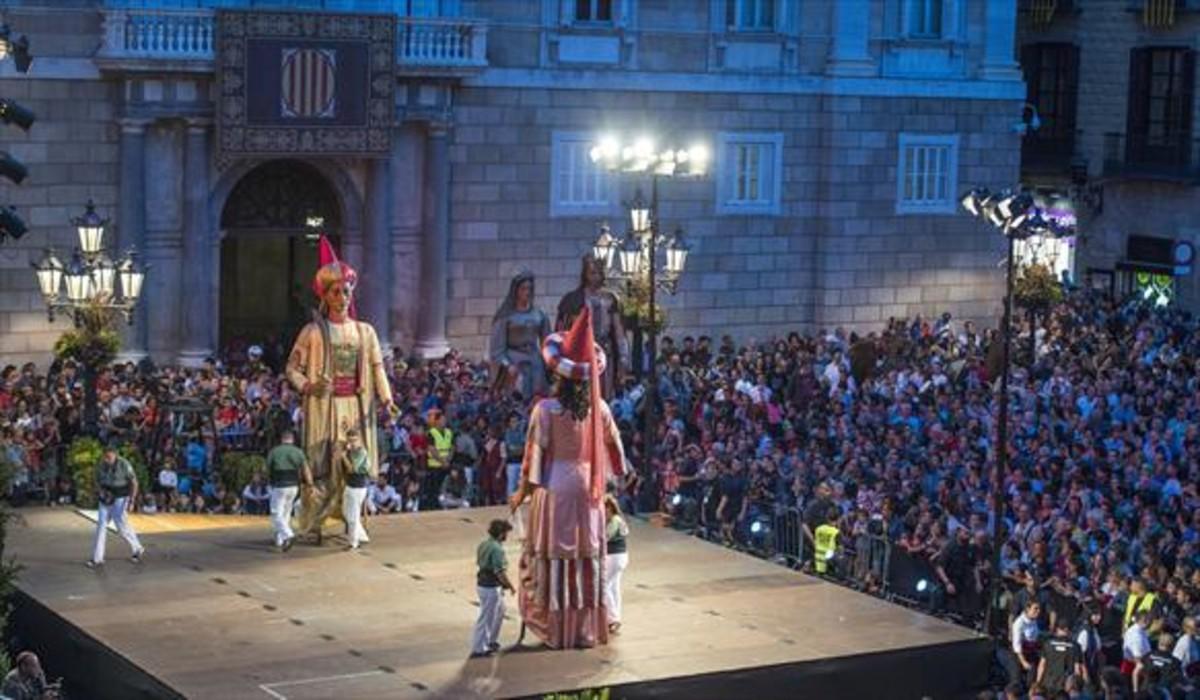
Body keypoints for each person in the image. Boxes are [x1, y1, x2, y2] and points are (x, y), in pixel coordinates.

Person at [509, 307, 627, 649]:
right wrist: (616, 478)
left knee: (555, 556)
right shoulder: (600, 408)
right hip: (589, 487)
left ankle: (557, 628)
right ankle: (586, 628)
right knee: (584, 555)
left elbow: (534, 457)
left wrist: (521, 494)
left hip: (555, 485)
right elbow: (616, 450)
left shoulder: (545, 410)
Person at [285, 240, 394, 544]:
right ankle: (314, 521)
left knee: (356, 466)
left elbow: (377, 368)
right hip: (324, 406)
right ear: (325, 295)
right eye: (336, 291)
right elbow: (291, 369)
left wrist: (387, 398)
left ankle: (354, 520)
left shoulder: (365, 331)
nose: (343, 297)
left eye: (347, 290)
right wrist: (309, 385)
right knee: (322, 465)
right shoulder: (312, 332)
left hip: (356, 407)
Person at [555, 255, 628, 400]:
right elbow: (561, 330)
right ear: (585, 274)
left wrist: (624, 357)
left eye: (599, 273)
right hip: (581, 352)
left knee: (604, 394)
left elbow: (619, 331)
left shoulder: (610, 298)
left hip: (604, 350)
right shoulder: (573, 299)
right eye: (592, 272)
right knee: (582, 394)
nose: (596, 277)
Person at [488, 270, 552, 399]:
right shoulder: (505, 316)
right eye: (523, 289)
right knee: (516, 400)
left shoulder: (539, 314)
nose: (527, 292)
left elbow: (548, 342)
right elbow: (496, 350)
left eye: (529, 289)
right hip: (514, 363)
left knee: (538, 398)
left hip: (535, 363)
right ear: (516, 291)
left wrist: (550, 363)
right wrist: (508, 365)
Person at [88, 444, 144, 568]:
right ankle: (97, 558)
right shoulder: (101, 465)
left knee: (121, 526)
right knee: (101, 525)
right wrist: (99, 491)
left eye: (109, 456)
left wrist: (132, 500)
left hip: (120, 497)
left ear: (115, 455)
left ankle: (137, 548)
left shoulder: (124, 464)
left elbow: (134, 482)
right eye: (105, 457)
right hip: (106, 497)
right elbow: (95, 481)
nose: (107, 459)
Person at [471, 519, 515, 657]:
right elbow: (499, 571)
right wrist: (510, 585)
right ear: (501, 534)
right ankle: (479, 647)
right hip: (491, 586)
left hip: (483, 583)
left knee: (500, 611)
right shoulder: (497, 549)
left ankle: (491, 640)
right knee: (487, 616)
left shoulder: (484, 544)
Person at [265, 430, 308, 551]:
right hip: (294, 486)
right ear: (292, 439)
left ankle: (288, 534)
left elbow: (267, 469)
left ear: (282, 439)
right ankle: (280, 540)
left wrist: (268, 482)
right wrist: (310, 484)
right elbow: (305, 469)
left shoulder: (274, 451)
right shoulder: (298, 452)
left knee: (276, 513)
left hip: (279, 485)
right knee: (286, 513)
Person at [341, 429, 372, 550]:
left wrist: (343, 456)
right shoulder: (351, 451)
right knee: (345, 512)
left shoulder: (361, 452)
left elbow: (352, 469)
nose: (352, 443)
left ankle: (353, 542)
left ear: (359, 440)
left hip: (358, 486)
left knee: (353, 515)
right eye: (349, 440)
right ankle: (362, 536)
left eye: (354, 440)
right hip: (350, 485)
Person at [603, 493, 630, 635]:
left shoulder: (614, 521)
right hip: (621, 556)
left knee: (603, 586)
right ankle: (615, 617)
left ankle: (613, 618)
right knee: (613, 587)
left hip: (614, 556)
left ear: (610, 508)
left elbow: (605, 537)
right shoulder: (620, 520)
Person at [1037, 618, 1083, 696]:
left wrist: (1038, 682)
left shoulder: (1047, 644)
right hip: (1066, 685)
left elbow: (1042, 665)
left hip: (1048, 683)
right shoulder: (1075, 646)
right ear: (1068, 630)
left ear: (1057, 629)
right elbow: (1077, 668)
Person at [1008, 600, 1042, 688]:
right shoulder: (1019, 623)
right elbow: (1017, 645)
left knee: (1031, 680)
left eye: (1039, 609)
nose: (1038, 611)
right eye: (1035, 609)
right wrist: (1023, 662)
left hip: (1031, 653)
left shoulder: (1034, 621)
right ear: (1028, 609)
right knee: (1016, 680)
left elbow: (1035, 637)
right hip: (1019, 655)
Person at [1122, 608, 1152, 692]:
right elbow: (1138, 661)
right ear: (1143, 620)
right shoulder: (1136, 636)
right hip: (1132, 670)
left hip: (1138, 666)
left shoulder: (1141, 630)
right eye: (1148, 620)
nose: (1150, 622)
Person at [1172, 615, 1200, 681]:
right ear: (1187, 628)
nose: (1199, 629)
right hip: (1187, 678)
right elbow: (1176, 663)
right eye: (1196, 626)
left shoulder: (1196, 639)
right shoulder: (1184, 642)